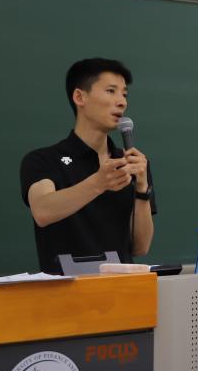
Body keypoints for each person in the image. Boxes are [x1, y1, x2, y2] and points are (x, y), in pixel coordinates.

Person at [20, 58, 156, 274]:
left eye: (124, 94)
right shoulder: (43, 160)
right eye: (111, 91)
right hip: (64, 288)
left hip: (122, 287)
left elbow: (140, 247)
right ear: (79, 97)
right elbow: (43, 211)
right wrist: (99, 183)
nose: (121, 102)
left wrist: (141, 190)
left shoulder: (132, 164)